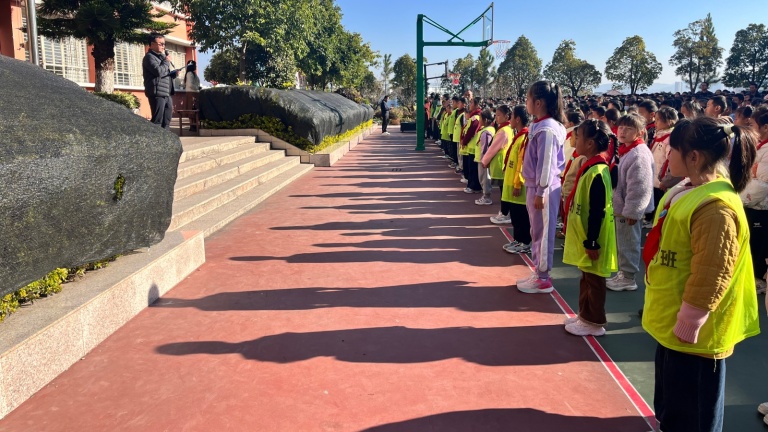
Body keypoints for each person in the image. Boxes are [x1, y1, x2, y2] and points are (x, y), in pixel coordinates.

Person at [642, 117, 759, 432]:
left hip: (695, 333)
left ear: (693, 157)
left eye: (672, 150)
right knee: (673, 403)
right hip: (674, 321)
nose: (667, 156)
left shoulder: (715, 207)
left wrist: (690, 320)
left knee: (692, 411)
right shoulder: (689, 189)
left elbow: (712, 271)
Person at [562, 119, 617, 336]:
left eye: (578, 138)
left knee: (594, 281)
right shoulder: (590, 166)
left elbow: (598, 210)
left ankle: (595, 322)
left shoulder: (598, 172)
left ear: (590, 143)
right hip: (587, 234)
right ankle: (584, 316)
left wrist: (592, 240)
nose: (574, 141)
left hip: (595, 237)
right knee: (587, 277)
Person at [517, 80, 566, 294]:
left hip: (543, 189)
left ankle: (544, 278)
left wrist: (541, 191)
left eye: (528, 98)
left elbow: (547, 164)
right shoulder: (540, 125)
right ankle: (539, 271)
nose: (526, 102)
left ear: (538, 103)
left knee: (544, 233)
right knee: (536, 230)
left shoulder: (547, 129)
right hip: (535, 187)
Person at [607, 114, 655, 292]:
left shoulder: (638, 154)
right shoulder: (626, 150)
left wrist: (633, 211)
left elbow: (640, 186)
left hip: (628, 209)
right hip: (622, 205)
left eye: (629, 129)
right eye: (621, 127)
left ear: (640, 132)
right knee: (622, 241)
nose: (622, 132)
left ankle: (628, 277)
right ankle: (624, 273)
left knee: (628, 242)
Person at [740, 107, 768, 294]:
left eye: (753, 125)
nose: (751, 128)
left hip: (760, 206)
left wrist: (742, 198)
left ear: (765, 127)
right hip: (753, 202)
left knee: (759, 244)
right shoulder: (760, 146)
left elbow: (763, 184)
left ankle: (759, 279)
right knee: (752, 241)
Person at [500, 105, 533, 254]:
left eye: (512, 116)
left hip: (518, 184)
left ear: (518, 119)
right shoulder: (519, 136)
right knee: (515, 215)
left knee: (521, 215)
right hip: (511, 182)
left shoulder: (525, 137)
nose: (510, 119)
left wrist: (518, 183)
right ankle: (518, 240)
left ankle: (525, 242)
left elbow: (523, 162)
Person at [485, 105, 514, 225]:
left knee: (504, 191)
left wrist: (485, 160)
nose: (496, 117)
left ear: (506, 116)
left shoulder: (503, 131)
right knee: (504, 190)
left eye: (498, 115)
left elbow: (493, 148)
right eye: (495, 115)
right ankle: (505, 212)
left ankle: (505, 213)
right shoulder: (507, 128)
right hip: (503, 162)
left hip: (501, 162)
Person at [142, 33, 178, 130]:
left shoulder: (162, 57)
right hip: (157, 93)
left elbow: (164, 73)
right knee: (157, 121)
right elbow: (158, 71)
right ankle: (155, 138)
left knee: (167, 120)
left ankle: (167, 138)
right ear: (152, 44)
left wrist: (173, 74)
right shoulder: (149, 57)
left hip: (166, 93)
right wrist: (166, 61)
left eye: (164, 44)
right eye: (161, 44)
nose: (163, 46)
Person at [474, 109, 496, 206]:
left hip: (483, 160)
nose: (479, 120)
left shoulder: (487, 131)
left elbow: (485, 147)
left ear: (485, 120)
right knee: (482, 178)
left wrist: (484, 160)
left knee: (485, 178)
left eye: (480, 118)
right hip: (482, 159)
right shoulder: (486, 130)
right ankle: (485, 195)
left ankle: (487, 197)